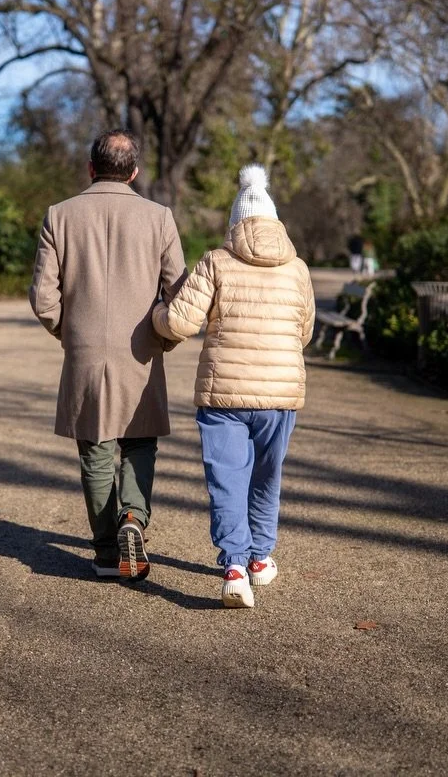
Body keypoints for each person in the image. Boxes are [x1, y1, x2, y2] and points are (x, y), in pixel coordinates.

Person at [152, 164, 315, 608]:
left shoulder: (215, 261)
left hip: (224, 392)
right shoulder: (298, 269)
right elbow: (304, 333)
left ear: (234, 223)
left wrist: (154, 316)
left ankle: (235, 568)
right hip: (280, 395)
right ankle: (261, 557)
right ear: (275, 221)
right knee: (267, 475)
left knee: (227, 480)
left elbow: (180, 322)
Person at [29, 130, 186, 581]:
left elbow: (44, 299)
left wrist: (70, 333)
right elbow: (180, 296)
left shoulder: (59, 216)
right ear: (134, 171)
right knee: (139, 441)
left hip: (84, 351)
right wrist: (164, 340)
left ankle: (104, 552)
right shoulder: (159, 217)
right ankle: (133, 518)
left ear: (91, 168)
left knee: (96, 450)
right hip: (140, 352)